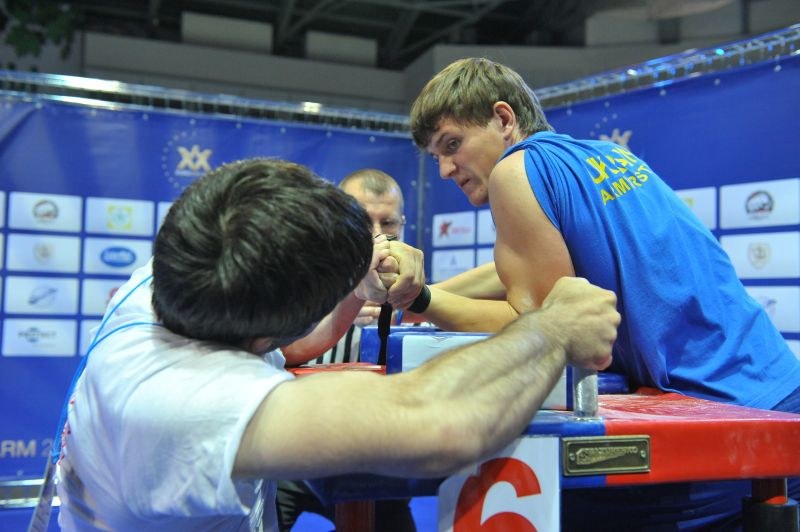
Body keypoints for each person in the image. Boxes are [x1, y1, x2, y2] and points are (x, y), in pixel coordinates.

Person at [53, 157, 619, 531]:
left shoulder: (172, 275)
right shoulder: (186, 405)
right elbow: (440, 422)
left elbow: (289, 350)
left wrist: (354, 292)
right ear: (263, 331)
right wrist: (553, 329)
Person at [408, 57, 800, 529]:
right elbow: (523, 259)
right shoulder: (603, 155)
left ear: (504, 118)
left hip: (730, 422)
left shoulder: (515, 172)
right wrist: (423, 289)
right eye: (436, 156)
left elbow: (540, 328)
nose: (447, 168)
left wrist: (420, 302)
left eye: (453, 144)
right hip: (782, 392)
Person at [276, 168, 417, 532]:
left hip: (376, 459)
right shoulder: (294, 275)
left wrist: (410, 310)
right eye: (361, 218)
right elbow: (282, 350)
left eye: (387, 222)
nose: (375, 234)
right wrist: (349, 297)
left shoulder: (409, 278)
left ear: (402, 223)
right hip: (294, 452)